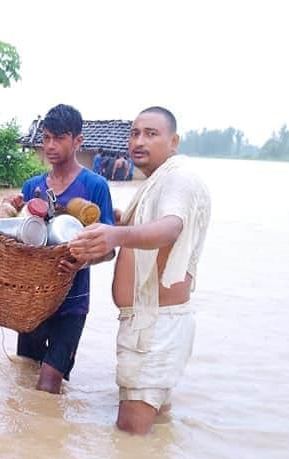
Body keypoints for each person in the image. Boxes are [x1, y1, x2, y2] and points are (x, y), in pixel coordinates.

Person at [70, 106, 211, 435]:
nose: (139, 141)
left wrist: (115, 235)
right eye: (135, 133)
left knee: (130, 438)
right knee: (153, 435)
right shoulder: (158, 182)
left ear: (173, 141)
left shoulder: (179, 177)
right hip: (151, 323)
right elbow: (154, 228)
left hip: (155, 326)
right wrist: (122, 221)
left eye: (151, 133)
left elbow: (170, 228)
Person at [4, 104, 114, 394]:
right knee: (25, 374)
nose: (50, 146)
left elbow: (110, 248)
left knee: (50, 382)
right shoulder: (32, 188)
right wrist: (8, 211)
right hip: (32, 301)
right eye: (46, 138)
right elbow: (17, 241)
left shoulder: (95, 186)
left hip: (72, 303)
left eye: (59, 138)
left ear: (78, 140)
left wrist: (81, 262)